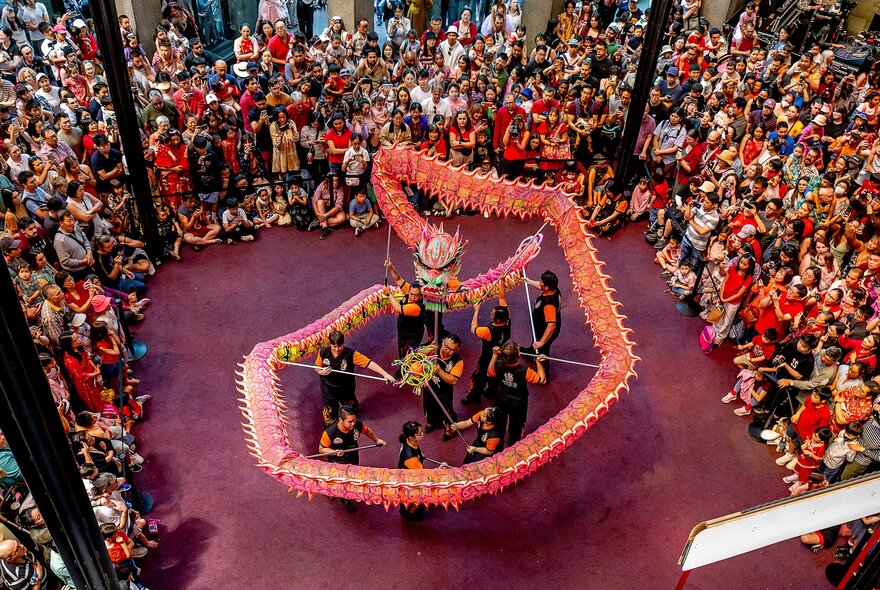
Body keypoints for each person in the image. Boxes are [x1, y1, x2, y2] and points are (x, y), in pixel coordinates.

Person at [313, 330, 395, 425]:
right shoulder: (323, 352)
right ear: (330, 344)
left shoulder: (351, 354)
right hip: (328, 387)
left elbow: (369, 363)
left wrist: (385, 374)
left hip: (345, 387)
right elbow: (316, 367)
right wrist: (321, 372)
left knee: (350, 409)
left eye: (339, 346)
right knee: (329, 412)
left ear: (343, 343)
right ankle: (331, 429)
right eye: (334, 346)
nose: (337, 349)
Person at [317, 405, 386, 512]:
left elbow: (367, 431)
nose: (353, 423)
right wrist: (333, 452)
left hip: (353, 455)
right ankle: (342, 496)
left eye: (354, 420)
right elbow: (322, 449)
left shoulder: (358, 424)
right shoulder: (330, 432)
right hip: (338, 460)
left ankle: (347, 494)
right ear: (341, 420)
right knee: (339, 479)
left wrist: (376, 440)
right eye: (350, 421)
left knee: (352, 476)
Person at [488, 341, 546, 446]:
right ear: (518, 356)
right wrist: (538, 362)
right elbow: (542, 380)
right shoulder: (525, 371)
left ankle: (496, 445)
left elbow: (489, 373)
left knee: (498, 424)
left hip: (501, 399)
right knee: (516, 427)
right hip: (518, 403)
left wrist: (494, 355)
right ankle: (513, 445)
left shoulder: (497, 364)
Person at [463, 283, 510, 404]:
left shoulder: (488, 331)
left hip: (487, 356)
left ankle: (473, 397)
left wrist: (476, 311)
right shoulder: (507, 320)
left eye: (492, 314)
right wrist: (502, 282)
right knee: (495, 374)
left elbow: (473, 328)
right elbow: (502, 298)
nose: (490, 315)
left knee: (479, 376)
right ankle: (492, 391)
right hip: (502, 354)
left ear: (497, 319)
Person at [397, 420, 446, 520]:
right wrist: (439, 469)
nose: (422, 434)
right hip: (410, 481)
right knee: (413, 501)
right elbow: (423, 475)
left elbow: (416, 450)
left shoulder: (409, 441)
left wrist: (420, 454)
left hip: (410, 472)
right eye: (419, 434)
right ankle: (410, 515)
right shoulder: (411, 458)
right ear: (411, 437)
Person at [422, 333, 463, 440]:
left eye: (451, 350)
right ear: (443, 341)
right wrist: (424, 351)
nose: (447, 351)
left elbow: (453, 380)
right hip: (428, 386)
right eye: (446, 346)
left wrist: (440, 371)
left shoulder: (458, 361)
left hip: (444, 390)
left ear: (457, 349)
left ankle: (450, 430)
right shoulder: (434, 349)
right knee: (428, 406)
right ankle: (431, 422)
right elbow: (415, 357)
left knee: (446, 410)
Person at [523, 270, 561, 382]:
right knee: (534, 343)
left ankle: (544, 375)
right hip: (540, 327)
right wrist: (528, 281)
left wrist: (542, 342)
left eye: (541, 282)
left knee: (542, 350)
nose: (539, 283)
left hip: (545, 332)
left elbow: (551, 326)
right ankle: (531, 353)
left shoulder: (549, 305)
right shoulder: (554, 290)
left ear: (547, 287)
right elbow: (541, 286)